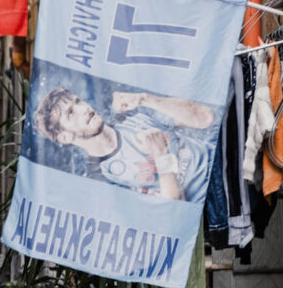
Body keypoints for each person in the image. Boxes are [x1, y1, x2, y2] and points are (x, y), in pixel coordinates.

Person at [33, 86, 215, 201]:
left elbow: (205, 117)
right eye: (71, 113)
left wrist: (145, 99)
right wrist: (161, 157)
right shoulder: (103, 179)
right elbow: (169, 212)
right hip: (209, 207)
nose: (84, 109)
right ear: (65, 137)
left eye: (78, 101)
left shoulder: (132, 112)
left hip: (222, 161)